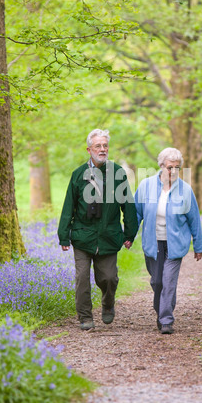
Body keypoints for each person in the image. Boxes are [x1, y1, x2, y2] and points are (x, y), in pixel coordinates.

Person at [58, 129, 138, 330]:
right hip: (82, 236)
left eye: (105, 146)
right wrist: (64, 236)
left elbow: (127, 205)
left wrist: (130, 233)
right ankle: (85, 316)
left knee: (108, 278)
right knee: (82, 279)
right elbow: (69, 205)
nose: (102, 149)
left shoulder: (118, 173)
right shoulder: (78, 175)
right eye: (98, 146)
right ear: (89, 149)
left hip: (109, 236)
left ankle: (108, 303)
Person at [134, 147, 202, 335]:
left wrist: (198, 246)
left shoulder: (186, 190)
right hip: (153, 242)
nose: (172, 171)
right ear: (161, 166)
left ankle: (166, 320)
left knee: (168, 281)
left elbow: (194, 220)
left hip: (175, 244)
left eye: (177, 167)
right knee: (157, 282)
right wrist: (128, 236)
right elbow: (136, 214)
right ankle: (162, 311)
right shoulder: (146, 186)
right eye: (169, 167)